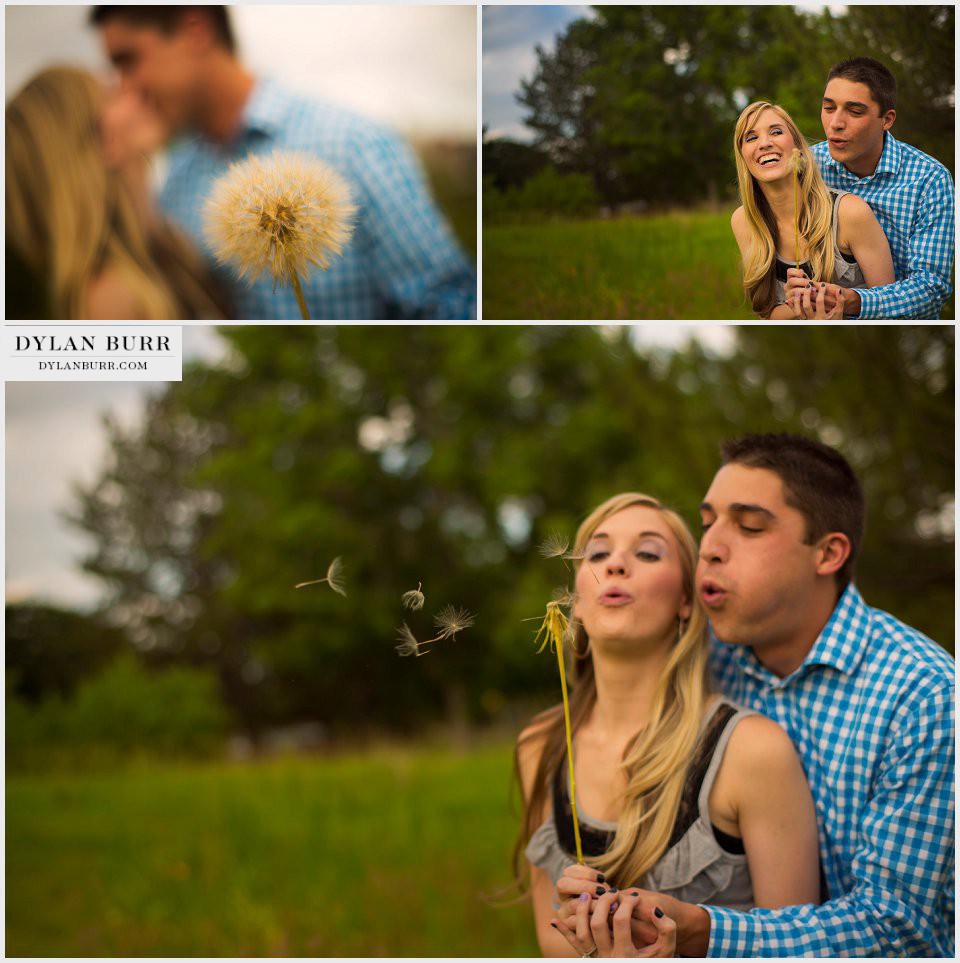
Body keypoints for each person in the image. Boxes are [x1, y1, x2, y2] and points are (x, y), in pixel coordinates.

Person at [556, 435, 955, 957]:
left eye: (748, 526)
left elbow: (896, 933)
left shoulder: (926, 699)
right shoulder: (711, 662)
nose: (711, 548)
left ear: (829, 553)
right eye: (707, 524)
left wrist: (704, 931)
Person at [515, 492, 820, 957]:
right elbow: (547, 939)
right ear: (574, 602)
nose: (615, 565)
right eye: (597, 553)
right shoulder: (540, 745)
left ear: (684, 601)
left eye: (647, 553)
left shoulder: (750, 750)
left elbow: (799, 948)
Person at [90, 5, 477, 321]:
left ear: (195, 30)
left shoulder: (354, 144)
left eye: (128, 60)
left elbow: (450, 302)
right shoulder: (174, 184)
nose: (123, 87)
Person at [5, 66, 228, 320]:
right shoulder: (110, 300)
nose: (136, 92)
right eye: (112, 95)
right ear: (99, 141)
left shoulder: (169, 239)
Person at [792, 57, 954, 321]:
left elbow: (930, 288)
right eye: (829, 108)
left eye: (854, 112)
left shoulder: (930, 180)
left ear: (887, 120)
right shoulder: (808, 167)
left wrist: (855, 301)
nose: (835, 123)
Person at [731, 101, 895, 320]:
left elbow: (890, 306)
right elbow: (767, 316)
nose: (765, 143)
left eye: (776, 132)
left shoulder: (849, 213)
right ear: (743, 156)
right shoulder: (744, 221)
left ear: (797, 146)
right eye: (751, 138)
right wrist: (797, 305)